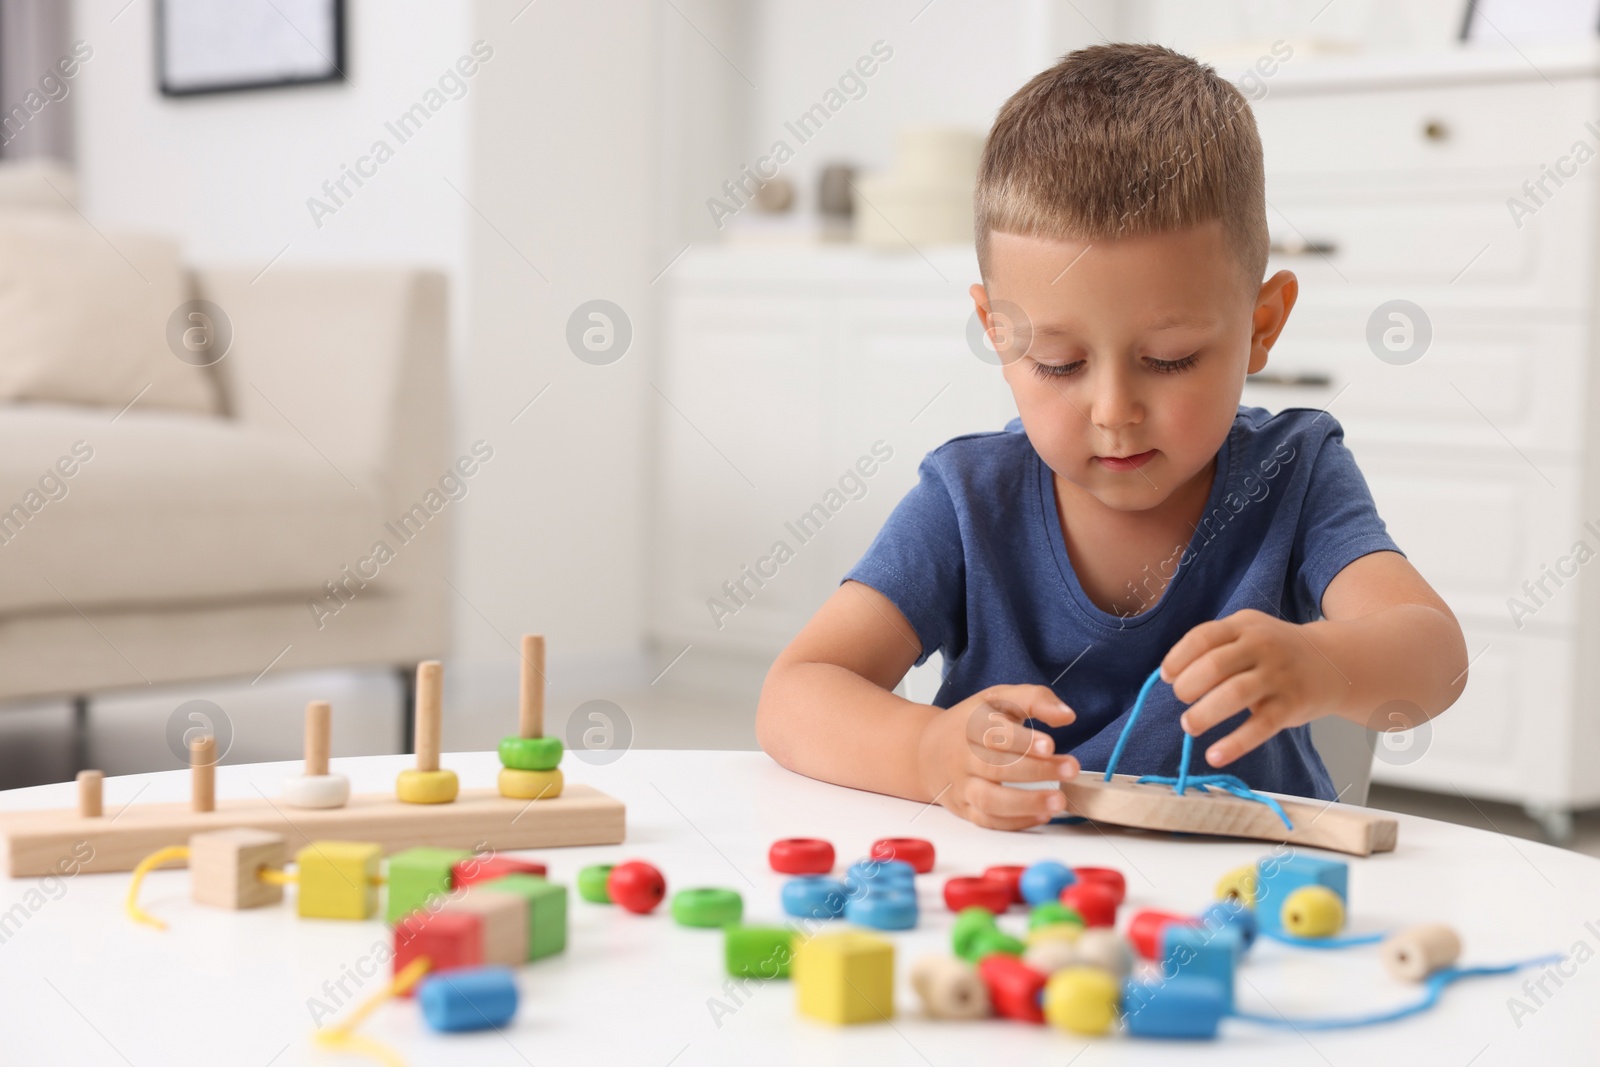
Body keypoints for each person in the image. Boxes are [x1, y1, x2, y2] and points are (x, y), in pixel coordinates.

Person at [755, 43, 1467, 829]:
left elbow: (1434, 655)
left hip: (1234, 908)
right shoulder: (968, 501)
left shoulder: (1293, 474)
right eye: (1059, 364)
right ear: (997, 332)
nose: (1114, 409)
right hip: (1010, 903)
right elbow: (796, 693)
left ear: (1262, 326)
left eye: (1170, 359)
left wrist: (1322, 665)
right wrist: (925, 750)